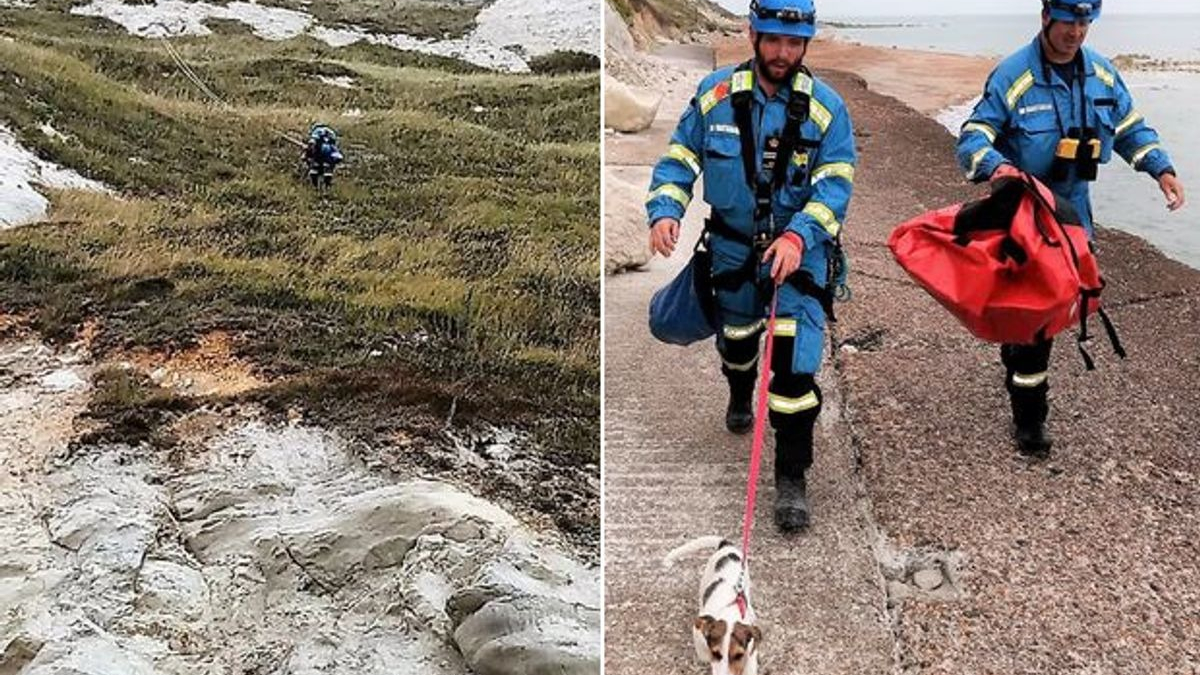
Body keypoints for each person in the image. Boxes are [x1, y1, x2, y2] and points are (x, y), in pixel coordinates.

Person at [645, 0, 856, 532]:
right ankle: (739, 389)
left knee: (792, 369)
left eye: (794, 43)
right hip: (732, 251)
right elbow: (679, 159)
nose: (783, 53)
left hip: (797, 258)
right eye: (773, 40)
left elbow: (835, 187)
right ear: (752, 34)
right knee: (737, 341)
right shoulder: (714, 95)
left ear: (806, 43)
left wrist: (798, 235)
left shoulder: (827, 110)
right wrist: (666, 210)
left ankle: (791, 477)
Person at [955, 0, 1186, 457]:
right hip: (1024, 217)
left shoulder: (1101, 74)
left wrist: (1161, 169)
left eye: (1084, 22)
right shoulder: (1013, 75)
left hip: (1073, 217)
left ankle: (1018, 352)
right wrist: (999, 168)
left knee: (1051, 314)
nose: (1076, 32)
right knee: (1034, 329)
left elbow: (1129, 127)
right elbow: (973, 136)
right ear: (1046, 17)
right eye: (1068, 21)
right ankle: (1030, 421)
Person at [304, 123, 344, 189]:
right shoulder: (330, 134)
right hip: (326, 156)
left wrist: (307, 154)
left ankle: (317, 186)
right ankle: (324, 186)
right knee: (325, 170)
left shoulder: (317, 132)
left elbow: (312, 143)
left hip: (321, 156)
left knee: (316, 170)